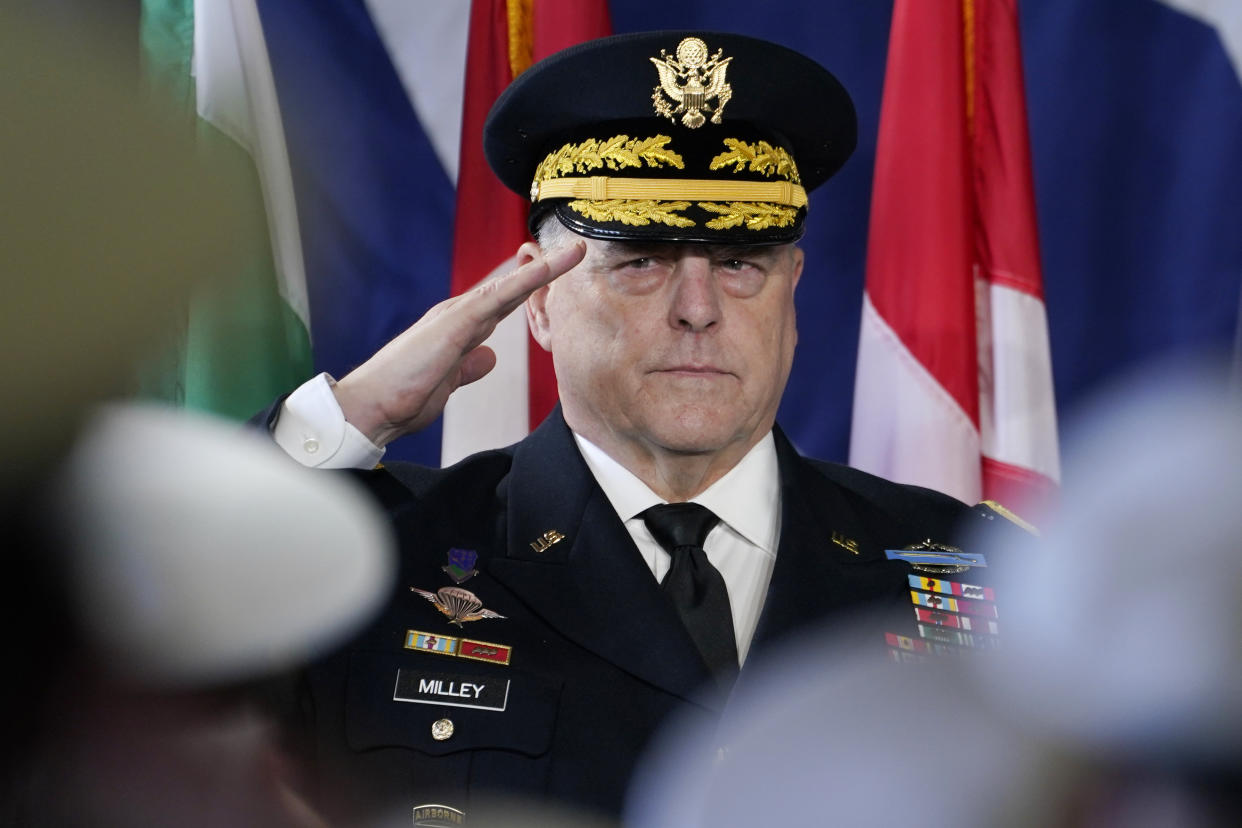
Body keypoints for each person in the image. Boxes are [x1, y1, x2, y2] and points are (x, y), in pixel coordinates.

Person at [261, 31, 1028, 825]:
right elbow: (157, 638)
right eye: (640, 261)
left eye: (740, 262)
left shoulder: (977, 574)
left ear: (791, 285)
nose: (698, 308)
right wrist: (352, 415)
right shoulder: (375, 558)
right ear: (538, 298)